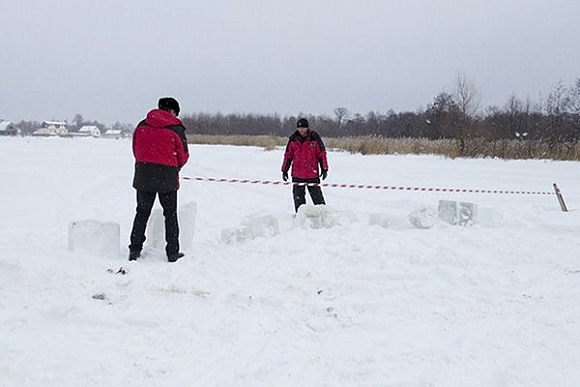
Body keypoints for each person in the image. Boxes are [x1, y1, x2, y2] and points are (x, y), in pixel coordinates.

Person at [128, 97, 189, 262]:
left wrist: (145, 163)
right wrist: (173, 167)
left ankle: (134, 250)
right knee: (170, 214)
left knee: (141, 212)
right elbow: (183, 155)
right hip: (167, 176)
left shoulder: (142, 125)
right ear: (172, 111)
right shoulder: (176, 128)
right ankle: (172, 252)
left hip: (144, 172)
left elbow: (135, 148)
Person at [281, 118, 328, 212]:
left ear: (307, 128)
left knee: (318, 200)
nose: (301, 129)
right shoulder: (293, 139)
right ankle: (300, 218)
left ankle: (323, 215)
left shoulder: (314, 138)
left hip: (312, 174)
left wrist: (324, 168)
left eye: (303, 127)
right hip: (297, 174)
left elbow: (321, 154)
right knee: (299, 201)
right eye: (299, 127)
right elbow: (288, 156)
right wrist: (284, 170)